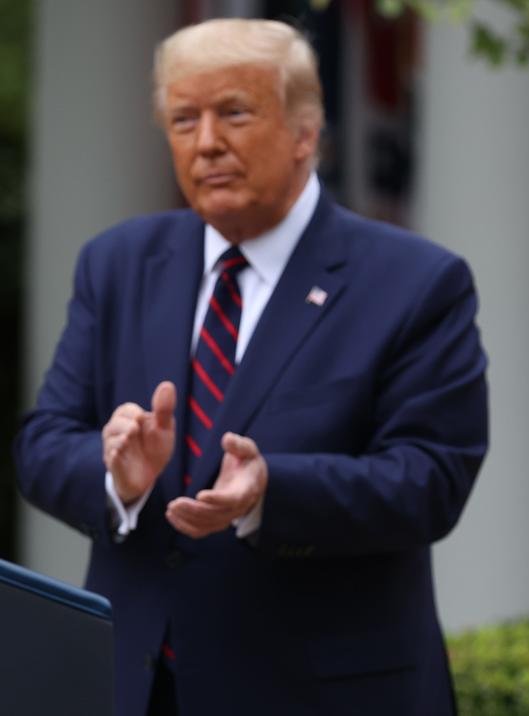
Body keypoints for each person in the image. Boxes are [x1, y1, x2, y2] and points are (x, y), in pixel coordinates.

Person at [14, 18, 487, 716]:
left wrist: (272, 490)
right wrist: (116, 475)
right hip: (141, 689)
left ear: (306, 131)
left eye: (233, 112)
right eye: (183, 119)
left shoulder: (415, 280)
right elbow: (43, 443)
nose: (206, 143)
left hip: (321, 693)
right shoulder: (117, 263)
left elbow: (432, 478)